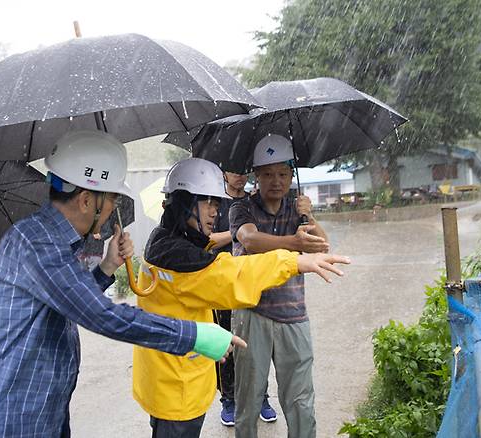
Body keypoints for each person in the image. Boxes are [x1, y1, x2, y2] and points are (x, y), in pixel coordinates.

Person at [0, 131, 243, 438]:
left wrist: (108, 266)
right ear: (85, 200)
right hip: (11, 419)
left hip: (42, 410)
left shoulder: (49, 240)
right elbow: (101, 315)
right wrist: (194, 335)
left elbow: (66, 306)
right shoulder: (38, 245)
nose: (112, 209)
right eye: (111, 199)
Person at [132, 157, 350, 438]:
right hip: (178, 386)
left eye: (216, 202)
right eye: (207, 202)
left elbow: (196, 251)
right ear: (185, 203)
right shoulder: (182, 260)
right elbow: (235, 274)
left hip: (165, 378)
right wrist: (294, 262)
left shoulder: (162, 240)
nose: (215, 211)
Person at [231, 134, 330, 438]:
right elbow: (249, 239)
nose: (276, 181)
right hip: (252, 314)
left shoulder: (297, 210)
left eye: (283, 174)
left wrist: (309, 216)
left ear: (291, 175)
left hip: (293, 315)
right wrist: (293, 243)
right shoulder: (241, 209)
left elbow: (322, 248)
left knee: (300, 400)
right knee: (248, 399)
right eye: (268, 174)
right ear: (256, 176)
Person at [209, 171, 278, 426]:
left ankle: (261, 396)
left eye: (244, 172)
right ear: (224, 172)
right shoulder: (214, 202)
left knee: (256, 344)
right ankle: (229, 399)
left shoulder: (253, 203)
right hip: (222, 285)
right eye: (235, 171)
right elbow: (209, 241)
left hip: (250, 281)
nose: (240, 177)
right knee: (226, 344)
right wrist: (237, 229)